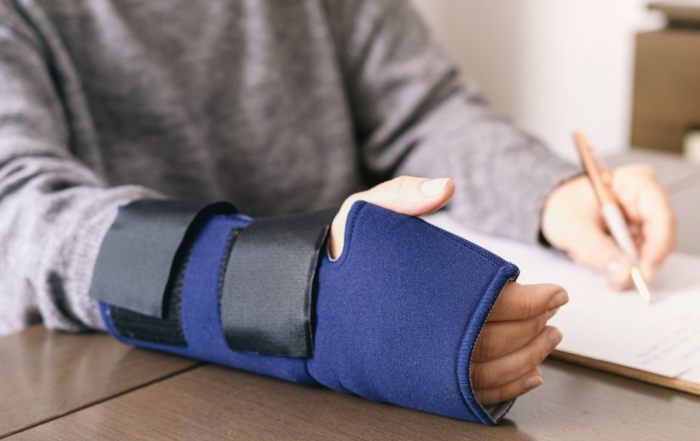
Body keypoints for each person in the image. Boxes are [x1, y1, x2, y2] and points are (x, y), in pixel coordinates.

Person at [0, 0, 674, 421]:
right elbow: (24, 207)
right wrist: (302, 290)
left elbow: (428, 110)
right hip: (113, 390)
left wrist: (550, 192)